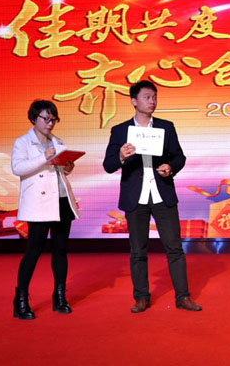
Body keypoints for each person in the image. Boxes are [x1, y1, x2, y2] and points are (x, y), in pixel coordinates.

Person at [103, 80, 201, 313]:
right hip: (135, 197)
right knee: (138, 250)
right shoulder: (120, 130)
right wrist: (121, 156)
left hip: (162, 194)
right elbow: (108, 165)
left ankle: (183, 296)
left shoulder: (166, 127)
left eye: (155, 97)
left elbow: (179, 157)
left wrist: (170, 166)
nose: (152, 101)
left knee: (174, 247)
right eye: (147, 97)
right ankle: (141, 297)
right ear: (134, 101)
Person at [11, 100, 80, 320]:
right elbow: (17, 168)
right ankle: (21, 300)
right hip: (39, 203)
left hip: (61, 199)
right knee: (33, 250)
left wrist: (67, 166)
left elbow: (59, 171)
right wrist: (43, 156)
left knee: (60, 250)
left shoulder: (57, 141)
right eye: (46, 118)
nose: (50, 123)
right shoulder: (22, 142)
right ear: (34, 118)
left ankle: (60, 297)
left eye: (53, 119)